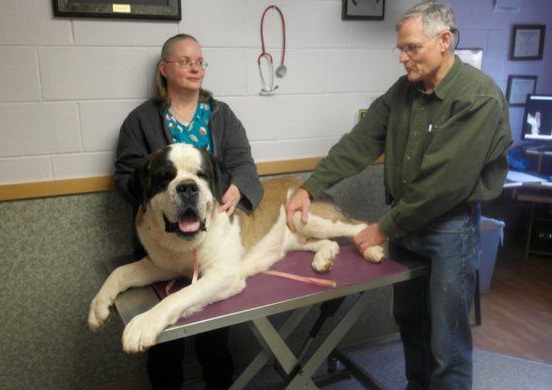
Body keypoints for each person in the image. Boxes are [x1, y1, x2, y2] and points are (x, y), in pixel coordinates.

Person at [285, 2, 512, 389]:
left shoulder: (478, 97)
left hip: (449, 231)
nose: (403, 58)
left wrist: (381, 229)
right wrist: (310, 186)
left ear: (444, 41)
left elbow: (441, 185)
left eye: (412, 48)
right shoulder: (404, 90)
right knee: (410, 323)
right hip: (407, 228)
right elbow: (360, 141)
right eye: (401, 49)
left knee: (448, 341)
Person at [114, 34, 263, 390]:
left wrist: (237, 187)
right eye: (183, 60)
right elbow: (127, 173)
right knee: (163, 343)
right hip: (162, 243)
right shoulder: (140, 120)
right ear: (164, 69)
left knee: (215, 336)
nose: (194, 66)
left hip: (211, 241)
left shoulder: (222, 116)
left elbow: (243, 163)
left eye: (199, 60)